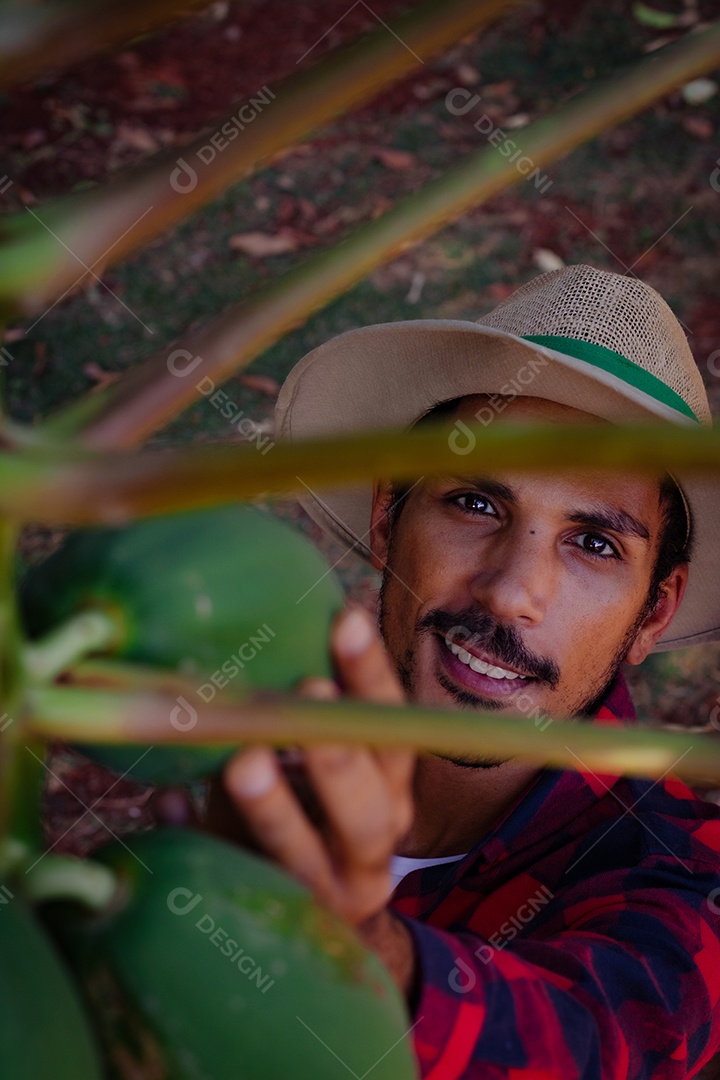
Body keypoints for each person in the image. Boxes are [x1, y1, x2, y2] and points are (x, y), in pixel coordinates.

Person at [219, 264, 720, 1078]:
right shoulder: (260, 736)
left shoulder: (684, 873)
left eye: (594, 544)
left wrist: (369, 957)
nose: (512, 591)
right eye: (477, 504)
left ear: (654, 614)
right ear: (389, 517)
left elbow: (608, 1042)